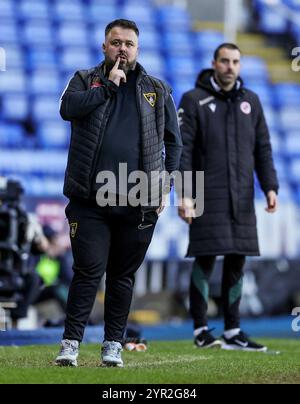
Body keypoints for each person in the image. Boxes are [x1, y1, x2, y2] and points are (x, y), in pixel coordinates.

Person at [55, 19, 182, 367]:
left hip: (139, 201)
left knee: (123, 276)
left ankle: (113, 344)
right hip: (89, 199)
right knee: (88, 270)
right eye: (115, 42)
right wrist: (107, 87)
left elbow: (174, 142)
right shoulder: (84, 79)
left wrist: (166, 185)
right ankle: (70, 344)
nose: (122, 48)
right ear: (104, 47)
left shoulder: (157, 88)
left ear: (137, 49)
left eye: (128, 43)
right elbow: (68, 109)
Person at [178, 43, 279, 351]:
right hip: (206, 194)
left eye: (235, 61)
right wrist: (185, 195)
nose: (230, 67)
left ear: (240, 65)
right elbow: (182, 151)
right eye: (224, 61)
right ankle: (200, 330)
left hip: (243, 195)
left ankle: (233, 331)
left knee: (238, 259)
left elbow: (262, 148)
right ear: (214, 63)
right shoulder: (193, 100)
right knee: (205, 257)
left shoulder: (252, 101)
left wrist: (270, 187)